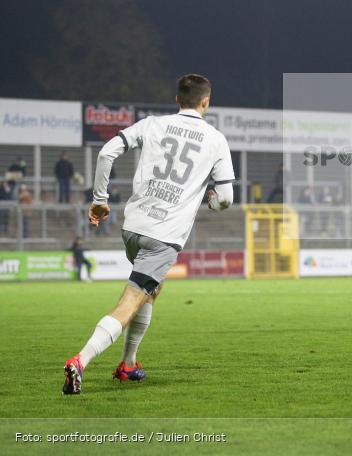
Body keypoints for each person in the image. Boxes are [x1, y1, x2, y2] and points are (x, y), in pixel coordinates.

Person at [62, 74, 235, 395]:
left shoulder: (152, 123)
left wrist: (100, 200)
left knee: (151, 290)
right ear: (206, 102)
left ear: (176, 100)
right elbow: (225, 200)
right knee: (129, 302)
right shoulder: (216, 139)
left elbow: (106, 153)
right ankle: (80, 361)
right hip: (164, 236)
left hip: (133, 228)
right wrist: (210, 200)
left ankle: (129, 364)